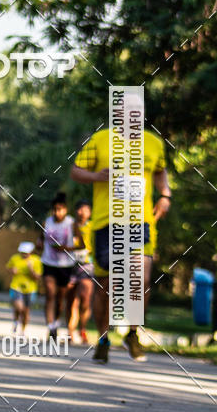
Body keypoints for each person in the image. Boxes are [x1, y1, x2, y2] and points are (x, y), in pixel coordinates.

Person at [70, 119, 171, 364]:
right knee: (106, 285)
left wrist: (165, 194)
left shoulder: (154, 142)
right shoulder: (100, 140)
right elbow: (75, 171)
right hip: (106, 222)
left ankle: (132, 333)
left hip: (140, 222)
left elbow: (160, 171)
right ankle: (103, 338)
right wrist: (95, 176)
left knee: (142, 277)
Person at [37, 192, 75, 343]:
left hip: (65, 265)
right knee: (50, 294)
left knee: (60, 299)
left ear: (65, 209)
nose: (57, 212)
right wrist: (39, 244)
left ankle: (56, 322)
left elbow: (81, 245)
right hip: (48, 263)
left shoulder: (71, 223)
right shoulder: (47, 222)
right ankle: (51, 327)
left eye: (60, 209)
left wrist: (65, 248)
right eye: (55, 209)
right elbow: (40, 239)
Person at [65, 200, 94, 344]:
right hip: (69, 265)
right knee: (71, 300)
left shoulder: (94, 227)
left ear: (90, 212)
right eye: (80, 209)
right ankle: (70, 332)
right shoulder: (69, 226)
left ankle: (82, 329)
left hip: (87, 266)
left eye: (86, 210)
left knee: (85, 299)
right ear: (76, 211)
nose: (82, 212)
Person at [5, 241, 43, 334]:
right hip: (16, 286)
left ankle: (23, 329)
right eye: (22, 252)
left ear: (31, 252)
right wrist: (12, 270)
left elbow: (37, 277)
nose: (24, 254)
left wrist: (31, 270)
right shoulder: (15, 258)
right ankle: (16, 321)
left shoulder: (36, 260)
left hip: (30, 289)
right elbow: (8, 267)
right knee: (19, 308)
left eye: (26, 253)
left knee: (26, 311)